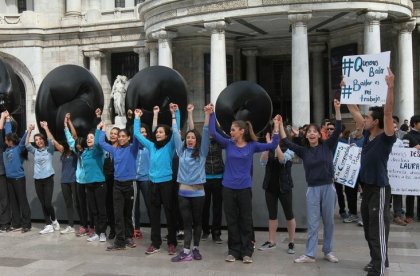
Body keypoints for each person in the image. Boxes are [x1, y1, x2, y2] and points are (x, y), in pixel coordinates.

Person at [208, 104, 281, 264]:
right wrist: (211, 114)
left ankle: (247, 251)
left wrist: (276, 127)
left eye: (234, 129)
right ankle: (233, 251)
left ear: (242, 131)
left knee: (246, 219)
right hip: (228, 187)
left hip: (244, 188)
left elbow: (272, 146)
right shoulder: (228, 144)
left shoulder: (252, 145)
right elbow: (213, 132)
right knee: (232, 219)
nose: (231, 132)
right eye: (231, 130)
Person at [279, 99, 342, 264]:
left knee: (329, 222)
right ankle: (309, 254)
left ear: (320, 134)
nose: (312, 133)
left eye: (315, 131)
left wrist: (337, 109)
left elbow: (338, 129)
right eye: (309, 132)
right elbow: (286, 142)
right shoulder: (304, 151)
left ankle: (328, 250)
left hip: (329, 187)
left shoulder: (327, 146)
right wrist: (279, 125)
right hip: (313, 189)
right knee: (313, 223)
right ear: (306, 136)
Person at [347, 68, 396, 276]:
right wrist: (347, 89)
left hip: (379, 188)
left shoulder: (386, 137)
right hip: (366, 188)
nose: (363, 120)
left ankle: (379, 268)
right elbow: (353, 110)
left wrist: (390, 87)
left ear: (375, 121)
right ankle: (377, 259)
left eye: (367, 117)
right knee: (368, 229)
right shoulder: (367, 136)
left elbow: (387, 112)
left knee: (377, 230)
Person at [133, 104, 180, 255]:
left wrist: (175, 113)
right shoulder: (151, 145)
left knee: (170, 213)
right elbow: (138, 135)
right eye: (157, 132)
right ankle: (155, 243)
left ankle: (172, 242)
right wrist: (137, 118)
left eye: (161, 132)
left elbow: (176, 130)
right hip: (153, 183)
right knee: (154, 215)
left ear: (166, 135)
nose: (158, 134)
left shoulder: (170, 146)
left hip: (166, 183)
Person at [170, 104, 210, 262]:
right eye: (188, 138)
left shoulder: (202, 152)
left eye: (193, 137)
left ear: (197, 140)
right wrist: (174, 114)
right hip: (183, 193)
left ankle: (196, 249)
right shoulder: (181, 151)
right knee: (187, 223)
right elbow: (174, 133)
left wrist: (207, 115)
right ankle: (186, 250)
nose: (190, 140)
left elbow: (206, 133)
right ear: (185, 140)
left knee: (197, 222)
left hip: (199, 192)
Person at [65, 111, 107, 243]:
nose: (89, 139)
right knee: (93, 210)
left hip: (99, 184)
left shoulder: (98, 151)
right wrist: (65, 127)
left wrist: (100, 130)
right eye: (88, 138)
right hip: (89, 185)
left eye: (91, 138)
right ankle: (96, 232)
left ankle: (103, 233)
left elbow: (100, 142)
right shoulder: (83, 153)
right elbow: (72, 142)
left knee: (101, 210)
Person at [98, 121, 139, 251]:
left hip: (129, 185)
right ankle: (120, 241)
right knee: (118, 214)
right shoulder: (115, 150)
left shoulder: (133, 148)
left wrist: (137, 119)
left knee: (127, 214)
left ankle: (128, 237)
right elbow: (101, 143)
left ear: (128, 138)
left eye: (123, 136)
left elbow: (137, 135)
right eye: (119, 136)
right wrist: (102, 130)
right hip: (117, 185)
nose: (120, 138)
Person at [187, 104, 224, 243]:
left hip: (219, 177)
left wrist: (211, 114)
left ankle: (216, 232)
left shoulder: (220, 140)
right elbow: (191, 130)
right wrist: (191, 113)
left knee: (217, 207)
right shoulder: (201, 141)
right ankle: (205, 230)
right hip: (204, 178)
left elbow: (218, 130)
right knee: (204, 207)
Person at [259, 128, 296, 254]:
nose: (276, 137)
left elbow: (282, 159)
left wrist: (275, 146)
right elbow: (263, 161)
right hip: (270, 186)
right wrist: (267, 146)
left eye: (277, 135)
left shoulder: (290, 149)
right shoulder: (269, 147)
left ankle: (291, 242)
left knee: (289, 214)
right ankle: (271, 241)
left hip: (284, 186)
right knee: (272, 215)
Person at [42, 115, 79, 234]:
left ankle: (85, 225)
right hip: (64, 181)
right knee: (68, 204)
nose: (68, 141)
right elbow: (52, 140)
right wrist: (46, 128)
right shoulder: (63, 150)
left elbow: (74, 136)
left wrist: (69, 122)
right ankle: (71, 226)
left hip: (75, 180)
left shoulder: (75, 151)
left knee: (78, 203)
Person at [26, 122, 60, 234]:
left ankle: (54, 220)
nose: (39, 141)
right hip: (38, 179)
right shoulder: (35, 151)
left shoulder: (49, 149)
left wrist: (46, 127)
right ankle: (48, 224)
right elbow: (26, 144)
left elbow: (51, 140)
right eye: (36, 140)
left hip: (48, 178)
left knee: (47, 203)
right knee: (42, 203)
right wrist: (29, 130)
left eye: (40, 139)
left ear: (43, 140)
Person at [3, 116, 31, 233]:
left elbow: (23, 141)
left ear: (11, 141)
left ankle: (26, 224)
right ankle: (16, 223)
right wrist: (8, 120)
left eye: (7, 139)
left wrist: (28, 131)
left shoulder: (18, 149)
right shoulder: (7, 149)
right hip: (9, 179)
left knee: (22, 201)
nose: (5, 140)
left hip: (18, 179)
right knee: (13, 202)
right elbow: (8, 132)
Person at [133, 122, 152, 239]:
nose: (143, 134)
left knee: (149, 204)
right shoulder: (133, 147)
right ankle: (136, 228)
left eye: (145, 132)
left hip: (146, 179)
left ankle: (154, 228)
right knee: (135, 206)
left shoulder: (150, 146)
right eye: (141, 132)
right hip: (134, 179)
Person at [402, 115, 420, 223]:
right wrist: (414, 149)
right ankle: (409, 214)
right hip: (411, 170)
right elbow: (403, 153)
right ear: (414, 124)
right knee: (410, 192)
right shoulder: (407, 136)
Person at [0, 111, 11, 232]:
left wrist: (4, 118)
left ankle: (5, 223)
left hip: (1, 173)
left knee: (4, 199)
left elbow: (3, 132)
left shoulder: (1, 145)